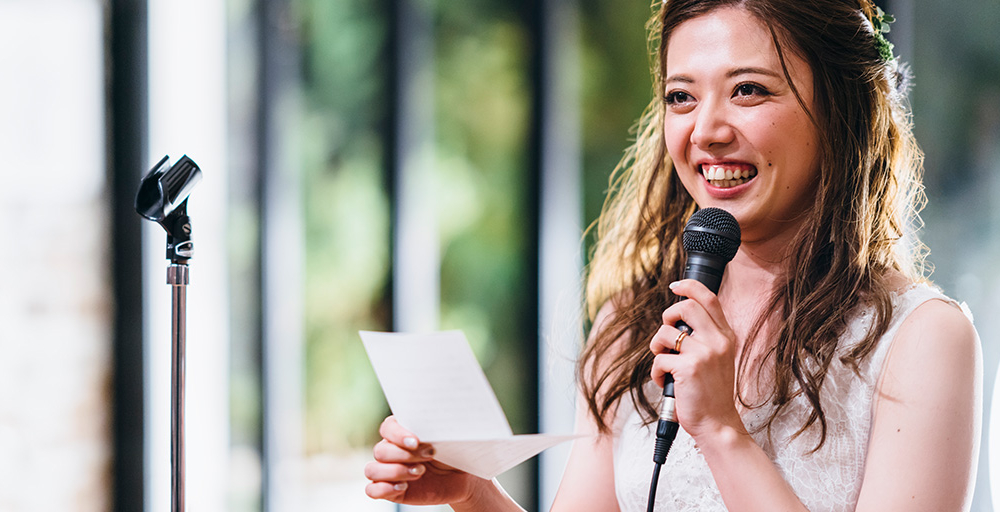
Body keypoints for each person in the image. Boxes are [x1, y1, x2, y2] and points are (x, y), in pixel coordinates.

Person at [363, 0, 982, 510]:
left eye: (747, 90)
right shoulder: (632, 326)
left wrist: (720, 431)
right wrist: (473, 493)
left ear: (840, 108)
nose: (706, 130)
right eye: (682, 97)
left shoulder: (922, 339)